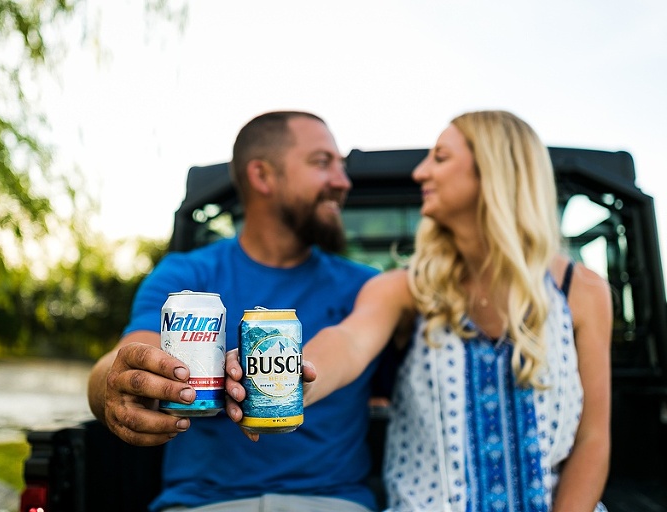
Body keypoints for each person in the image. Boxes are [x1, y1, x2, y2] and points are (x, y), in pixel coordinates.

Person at [227, 110, 613, 511]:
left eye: (440, 158)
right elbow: (348, 342)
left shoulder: (582, 292)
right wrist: (287, 372)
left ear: (496, 171)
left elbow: (592, 440)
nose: (420, 173)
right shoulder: (405, 289)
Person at [87, 111, 384, 512]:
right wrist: (114, 382)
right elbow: (129, 353)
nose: (343, 182)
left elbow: (347, 344)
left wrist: (291, 379)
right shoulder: (186, 275)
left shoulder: (366, 286)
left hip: (331, 502)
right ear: (262, 176)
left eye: (342, 167)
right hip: (203, 504)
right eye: (322, 162)